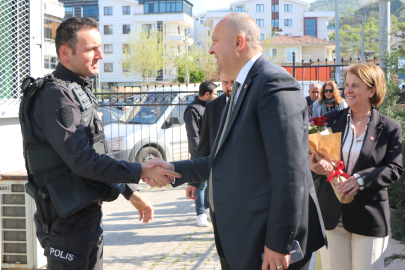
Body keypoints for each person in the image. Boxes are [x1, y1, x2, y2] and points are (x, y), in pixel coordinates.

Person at [144, 13, 326, 270]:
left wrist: (278, 243)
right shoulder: (243, 87)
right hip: (244, 239)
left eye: (215, 40)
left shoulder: (274, 84)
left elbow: (291, 173)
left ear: (239, 42)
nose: (210, 49)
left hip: (269, 245)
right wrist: (172, 170)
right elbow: (225, 161)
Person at [19, 17, 179, 270]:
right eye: (91, 49)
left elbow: (98, 152)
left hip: (85, 219)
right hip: (67, 225)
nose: (100, 55)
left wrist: (129, 191)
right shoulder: (55, 96)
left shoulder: (76, 90)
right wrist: (142, 171)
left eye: (100, 47)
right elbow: (83, 161)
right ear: (65, 52)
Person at [310, 63, 403, 270]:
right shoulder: (330, 121)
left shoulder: (389, 128)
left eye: (355, 85)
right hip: (332, 213)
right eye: (346, 85)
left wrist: (361, 180)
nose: (347, 90)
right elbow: (317, 155)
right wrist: (314, 166)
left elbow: (394, 168)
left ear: (372, 90)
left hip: (369, 215)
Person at [185, 73, 234, 268]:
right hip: (219, 186)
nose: (229, 87)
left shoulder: (252, 101)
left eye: (233, 82)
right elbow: (204, 146)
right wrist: (193, 181)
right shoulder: (213, 108)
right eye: (225, 82)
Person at [184, 81, 218, 227]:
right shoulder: (192, 110)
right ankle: (200, 214)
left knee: (210, 183)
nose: (217, 96)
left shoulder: (211, 107)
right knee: (200, 185)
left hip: (212, 152)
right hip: (199, 154)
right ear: (207, 94)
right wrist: (199, 155)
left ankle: (207, 209)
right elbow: (194, 136)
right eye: (215, 93)